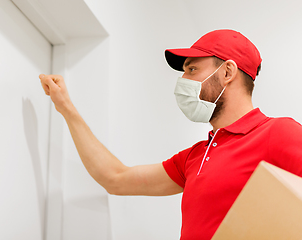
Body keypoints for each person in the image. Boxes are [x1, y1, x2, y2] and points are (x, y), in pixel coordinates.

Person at [39, 29, 302, 240]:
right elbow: (115, 179)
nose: (184, 80)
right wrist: (67, 109)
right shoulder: (196, 156)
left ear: (227, 72)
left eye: (192, 69)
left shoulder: (278, 133)